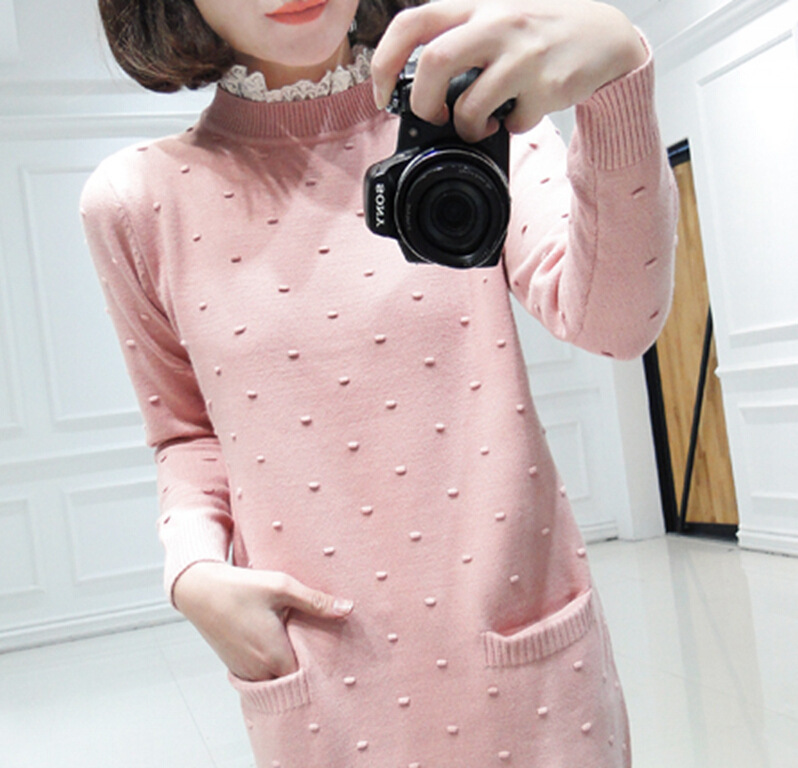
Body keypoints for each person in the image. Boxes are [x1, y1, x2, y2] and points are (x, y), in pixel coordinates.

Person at [81, 1, 677, 765]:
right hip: (321, 685)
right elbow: (185, 432)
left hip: (525, 666)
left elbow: (618, 323)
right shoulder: (136, 199)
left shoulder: (476, 121)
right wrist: (193, 569)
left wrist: (616, 77)